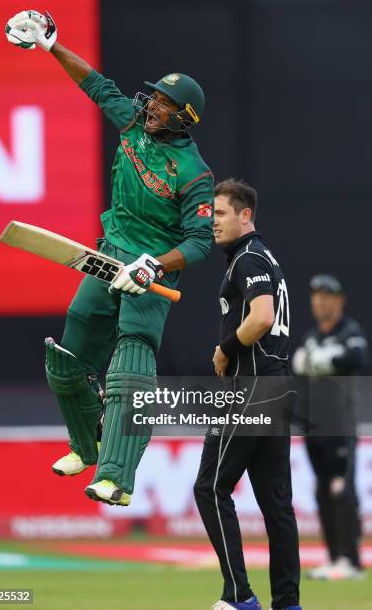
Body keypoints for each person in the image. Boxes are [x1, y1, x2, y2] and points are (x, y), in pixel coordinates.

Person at [5, 10, 213, 506]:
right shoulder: (132, 124)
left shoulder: (194, 172)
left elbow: (200, 242)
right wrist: (53, 47)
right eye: (154, 97)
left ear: (184, 116)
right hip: (107, 256)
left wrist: (155, 265)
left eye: (164, 103)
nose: (152, 105)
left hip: (147, 272)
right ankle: (85, 445)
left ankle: (116, 477)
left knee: (129, 369)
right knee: (69, 354)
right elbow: (97, 85)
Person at [194, 179, 301, 610]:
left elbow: (261, 317)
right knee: (277, 507)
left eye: (220, 214)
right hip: (277, 387)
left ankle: (239, 596)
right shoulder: (264, 257)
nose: (213, 222)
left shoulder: (249, 257)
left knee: (209, 487)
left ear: (245, 216)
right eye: (211, 214)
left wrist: (225, 348)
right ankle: (288, 604)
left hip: (253, 388)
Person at [292, 274, 369, 580]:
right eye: (316, 296)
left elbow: (358, 357)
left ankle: (351, 560)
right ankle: (335, 557)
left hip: (340, 423)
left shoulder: (348, 332)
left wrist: (330, 360)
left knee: (341, 486)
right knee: (323, 489)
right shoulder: (312, 337)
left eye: (326, 296)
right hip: (315, 426)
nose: (320, 302)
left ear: (339, 301)